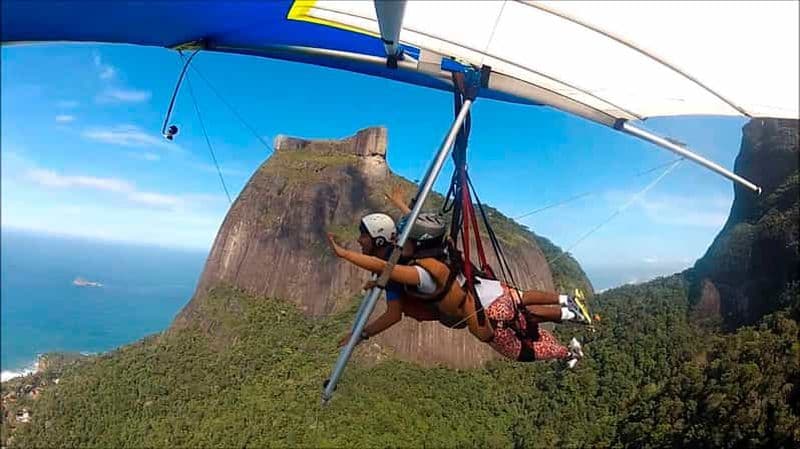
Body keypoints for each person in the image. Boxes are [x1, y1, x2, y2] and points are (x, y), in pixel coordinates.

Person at [328, 209, 589, 367]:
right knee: (525, 310)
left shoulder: (420, 272)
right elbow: (422, 228)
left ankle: (567, 351)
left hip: (487, 320)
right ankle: (569, 310)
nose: (401, 240)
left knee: (525, 349)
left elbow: (383, 268)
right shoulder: (440, 252)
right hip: (492, 294)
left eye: (406, 236)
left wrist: (344, 254)